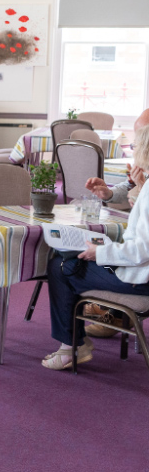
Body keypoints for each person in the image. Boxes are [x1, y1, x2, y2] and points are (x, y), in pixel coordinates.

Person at [42, 125, 149, 370]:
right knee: (77, 264)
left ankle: (71, 346)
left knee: (61, 266)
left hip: (142, 279)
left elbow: (142, 250)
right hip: (142, 271)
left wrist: (99, 252)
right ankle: (110, 319)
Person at [85, 107, 149, 211]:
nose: (136, 148)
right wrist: (109, 193)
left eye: (140, 142)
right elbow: (130, 185)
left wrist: (142, 187)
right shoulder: (144, 163)